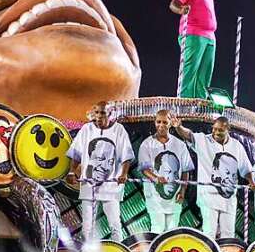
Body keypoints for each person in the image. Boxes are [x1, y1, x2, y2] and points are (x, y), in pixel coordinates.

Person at [169, 114, 253, 240]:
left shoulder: (237, 146)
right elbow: (189, 135)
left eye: (220, 130)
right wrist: (179, 127)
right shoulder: (204, 140)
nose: (216, 132)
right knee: (210, 233)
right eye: (214, 129)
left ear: (227, 129)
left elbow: (246, 169)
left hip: (229, 199)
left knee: (228, 235)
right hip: (208, 196)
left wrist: (252, 182)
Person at [169, 0, 241, 100]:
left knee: (205, 72)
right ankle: (184, 101)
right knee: (190, 69)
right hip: (193, 34)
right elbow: (174, 3)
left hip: (209, 37)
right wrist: (181, 9)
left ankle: (200, 102)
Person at [68, 102, 134, 243]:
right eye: (97, 112)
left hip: (111, 186)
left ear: (110, 114)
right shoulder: (86, 129)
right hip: (88, 184)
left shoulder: (118, 130)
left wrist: (124, 173)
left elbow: (126, 154)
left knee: (115, 224)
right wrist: (72, 172)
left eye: (102, 113)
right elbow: (76, 153)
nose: (98, 116)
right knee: (87, 226)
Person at [137, 110, 193, 233]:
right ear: (154, 122)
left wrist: (182, 191)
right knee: (157, 229)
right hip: (154, 196)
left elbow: (185, 170)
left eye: (165, 122)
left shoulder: (180, 145)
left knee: (172, 232)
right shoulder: (147, 144)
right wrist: (156, 178)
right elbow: (144, 169)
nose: (161, 125)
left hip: (175, 197)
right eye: (158, 122)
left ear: (170, 124)